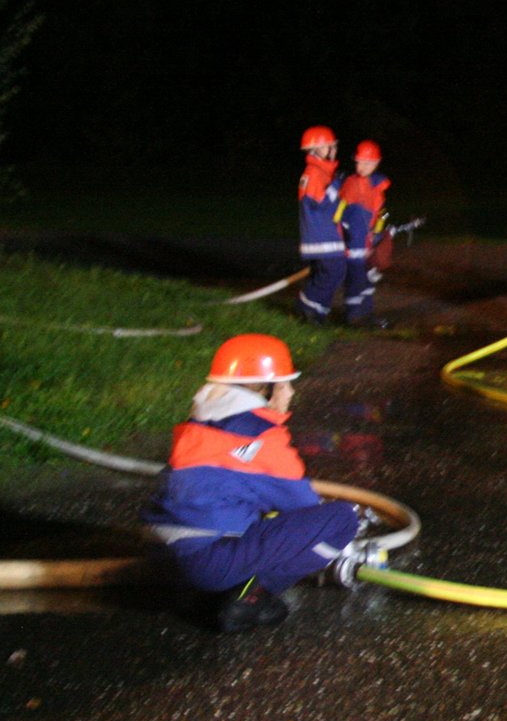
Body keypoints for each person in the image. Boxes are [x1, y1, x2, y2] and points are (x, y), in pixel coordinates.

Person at [142, 334, 360, 633]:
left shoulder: (199, 424)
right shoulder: (261, 437)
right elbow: (304, 507)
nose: (290, 392)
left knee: (249, 523)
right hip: (207, 563)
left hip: (157, 556)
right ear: (264, 389)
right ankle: (250, 598)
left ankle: (209, 592)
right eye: (284, 384)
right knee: (341, 520)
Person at [334, 139, 392, 329]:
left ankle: (366, 314)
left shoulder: (378, 185)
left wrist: (380, 231)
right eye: (359, 162)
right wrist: (343, 238)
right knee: (355, 282)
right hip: (354, 244)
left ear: (376, 163)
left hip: (368, 243)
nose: (362, 167)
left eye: (367, 163)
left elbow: (381, 211)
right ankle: (354, 317)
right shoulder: (351, 184)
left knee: (367, 282)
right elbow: (339, 214)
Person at [295, 126, 348, 324]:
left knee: (331, 274)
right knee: (333, 272)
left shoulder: (323, 173)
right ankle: (307, 307)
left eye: (333, 146)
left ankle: (317, 313)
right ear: (315, 149)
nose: (333, 150)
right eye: (329, 146)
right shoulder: (313, 173)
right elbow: (318, 203)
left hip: (328, 235)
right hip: (321, 238)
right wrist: (335, 186)